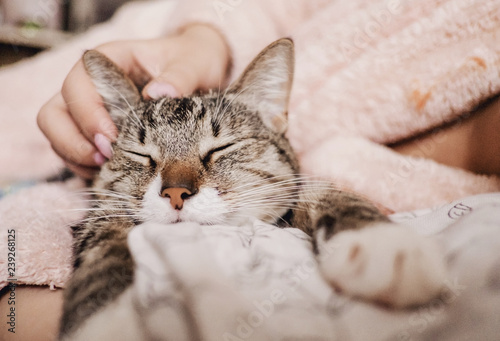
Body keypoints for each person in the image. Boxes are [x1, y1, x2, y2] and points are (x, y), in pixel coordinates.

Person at [12, 0, 500, 339]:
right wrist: (205, 37)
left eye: (218, 151)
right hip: (152, 37)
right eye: (146, 159)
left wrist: (342, 212)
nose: (177, 187)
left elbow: (295, 185)